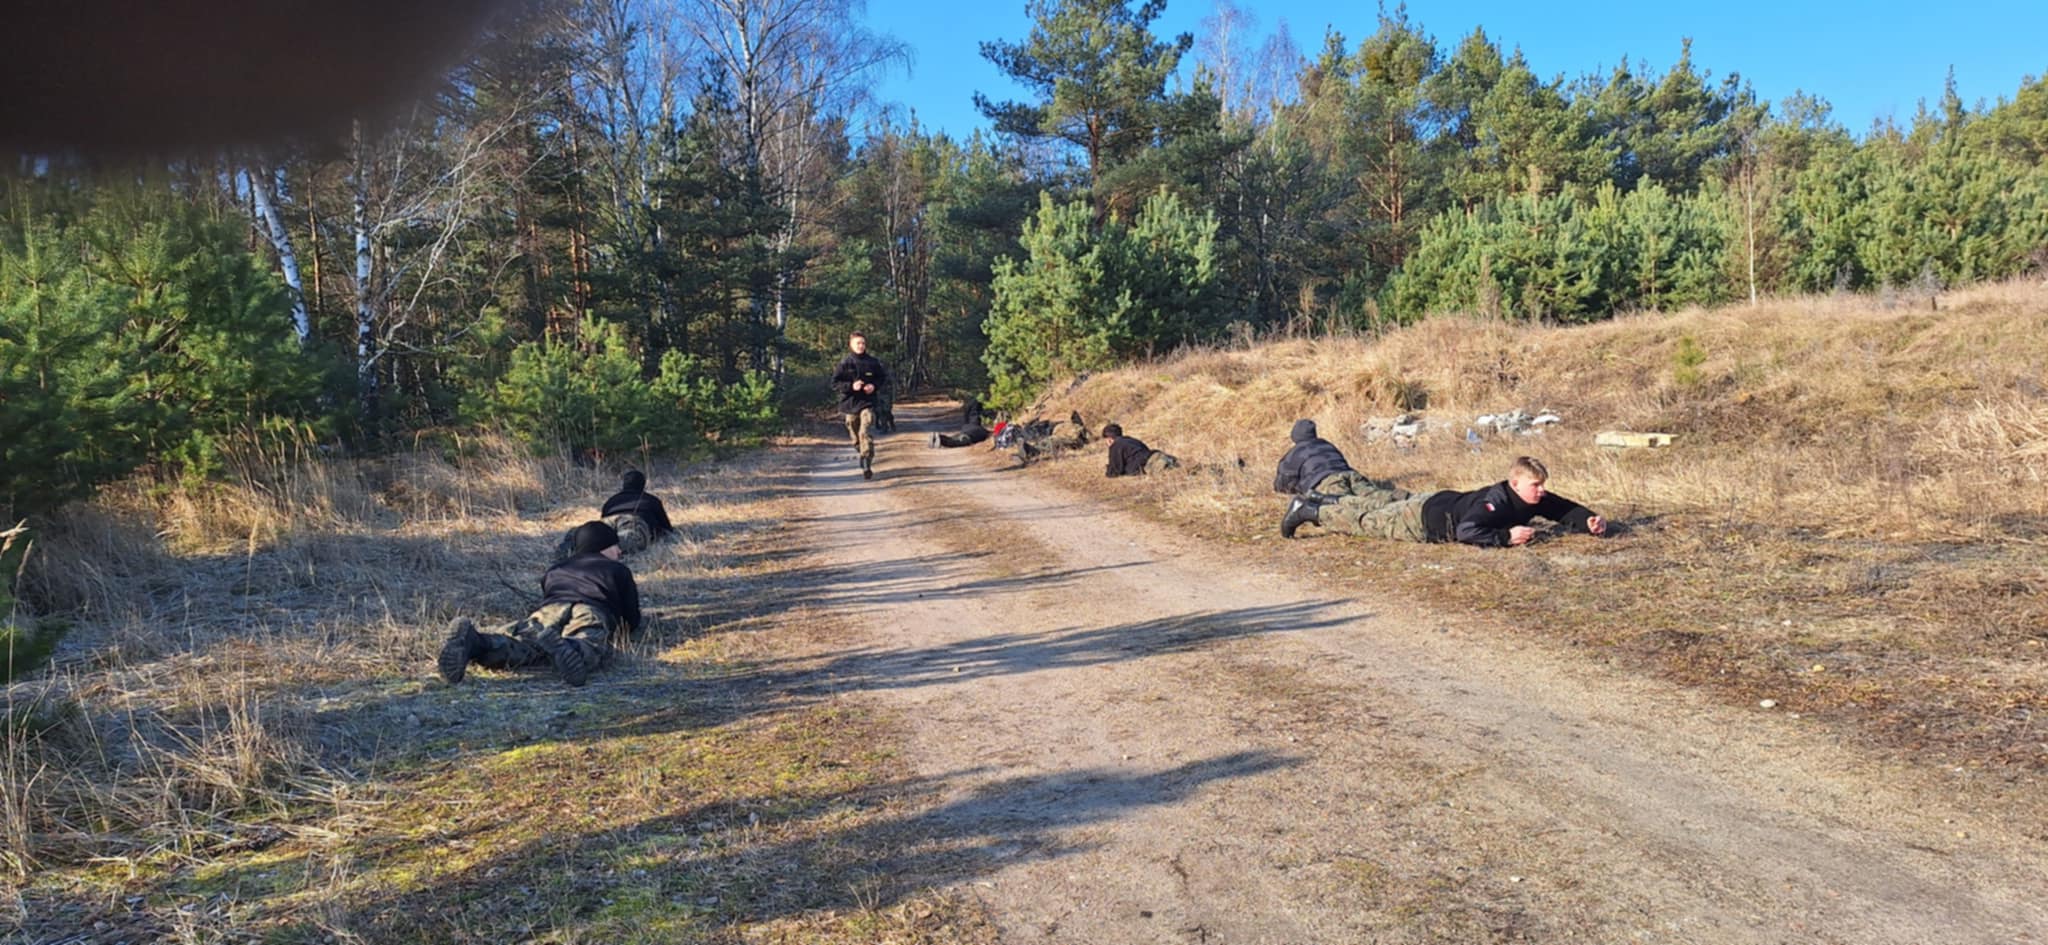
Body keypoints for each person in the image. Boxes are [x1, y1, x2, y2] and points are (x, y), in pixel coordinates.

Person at [439, 520, 644, 687]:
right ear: (602, 546)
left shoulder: (556, 568)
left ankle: (477, 643)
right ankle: (570, 649)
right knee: (588, 640)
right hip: (590, 608)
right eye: (615, 546)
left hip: (551, 608)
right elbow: (632, 619)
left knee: (525, 639)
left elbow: (547, 592)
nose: (619, 552)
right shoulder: (617, 569)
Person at [1283, 455, 1609, 545]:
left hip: (1435, 501)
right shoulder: (1496, 502)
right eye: (1535, 485)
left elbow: (1563, 509)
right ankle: (1310, 509)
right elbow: (1468, 531)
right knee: (1367, 521)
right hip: (1423, 522)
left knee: (1376, 504)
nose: (1541, 491)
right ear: (1515, 482)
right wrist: (1504, 537)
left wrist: (1589, 520)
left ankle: (1323, 498)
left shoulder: (1535, 498)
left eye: (1542, 485)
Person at [1273, 419, 1407, 505]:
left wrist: (1300, 488)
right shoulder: (1326, 444)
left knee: (1350, 505)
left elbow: (1283, 483)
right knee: (1375, 494)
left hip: (1328, 481)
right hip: (1350, 475)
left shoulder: (1295, 452)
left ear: (1295, 436)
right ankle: (1408, 499)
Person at [832, 331, 889, 479]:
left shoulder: (872, 362)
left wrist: (873, 386)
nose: (861, 346)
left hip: (867, 403)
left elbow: (882, 378)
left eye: (863, 343)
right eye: (858, 343)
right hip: (850, 404)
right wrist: (851, 386)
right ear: (851, 345)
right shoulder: (845, 363)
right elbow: (835, 383)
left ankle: (866, 462)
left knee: (865, 431)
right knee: (855, 433)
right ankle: (860, 449)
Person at [1102, 423, 1179, 477]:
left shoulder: (1116, 445)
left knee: (1168, 470)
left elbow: (1114, 471)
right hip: (1156, 454)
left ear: (1109, 439)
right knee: (1176, 466)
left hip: (1150, 464)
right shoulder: (1131, 440)